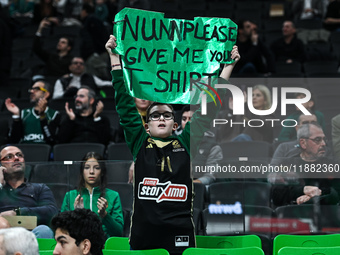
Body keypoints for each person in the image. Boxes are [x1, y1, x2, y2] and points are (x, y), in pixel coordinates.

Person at [106, 35, 240, 254]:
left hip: (179, 232)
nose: (160, 118)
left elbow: (210, 107)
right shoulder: (140, 141)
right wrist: (114, 59)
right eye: (155, 115)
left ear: (175, 124)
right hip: (143, 233)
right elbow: (124, 104)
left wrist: (227, 68)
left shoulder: (186, 142)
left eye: (166, 115)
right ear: (146, 126)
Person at [271, 123, 339, 206]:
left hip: (325, 214)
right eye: (318, 140)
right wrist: (303, 190)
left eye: (324, 139)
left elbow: (336, 194)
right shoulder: (286, 164)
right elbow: (277, 196)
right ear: (303, 143)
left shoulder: (332, 165)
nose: (323, 143)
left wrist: (316, 195)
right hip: (294, 214)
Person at [61, 152, 124, 238]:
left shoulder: (113, 196)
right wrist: (76, 215)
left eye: (97, 168)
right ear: (82, 172)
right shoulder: (70, 196)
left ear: (102, 172)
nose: (91, 172)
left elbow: (118, 232)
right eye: (87, 168)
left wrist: (105, 215)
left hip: (103, 246)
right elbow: (62, 230)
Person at [0, 145, 58, 237]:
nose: (16, 158)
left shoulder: (39, 188)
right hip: (3, 235)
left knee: (44, 230)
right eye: (9, 157)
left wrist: (18, 212)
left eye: (19, 155)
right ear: (1, 165)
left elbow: (52, 211)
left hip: (30, 235)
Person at [175, 105, 222, 185]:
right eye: (184, 119)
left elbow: (210, 176)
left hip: (198, 188)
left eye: (191, 118)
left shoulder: (212, 147)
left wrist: (192, 184)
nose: (187, 122)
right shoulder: (172, 142)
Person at [5, 80, 61, 145]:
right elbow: (14, 140)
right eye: (31, 89)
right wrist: (16, 115)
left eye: (36, 89)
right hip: (25, 151)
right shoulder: (24, 113)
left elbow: (51, 140)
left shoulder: (54, 114)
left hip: (44, 152)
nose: (31, 91)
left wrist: (42, 116)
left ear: (46, 94)